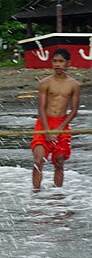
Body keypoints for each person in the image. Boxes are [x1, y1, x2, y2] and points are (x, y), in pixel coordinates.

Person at [31, 48, 80, 190]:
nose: (57, 64)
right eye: (55, 61)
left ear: (68, 64)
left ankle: (58, 199)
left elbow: (74, 110)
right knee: (38, 161)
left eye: (61, 61)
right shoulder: (45, 83)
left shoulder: (74, 85)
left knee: (59, 162)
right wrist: (47, 131)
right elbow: (41, 108)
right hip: (44, 123)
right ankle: (36, 195)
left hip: (62, 124)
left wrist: (59, 129)